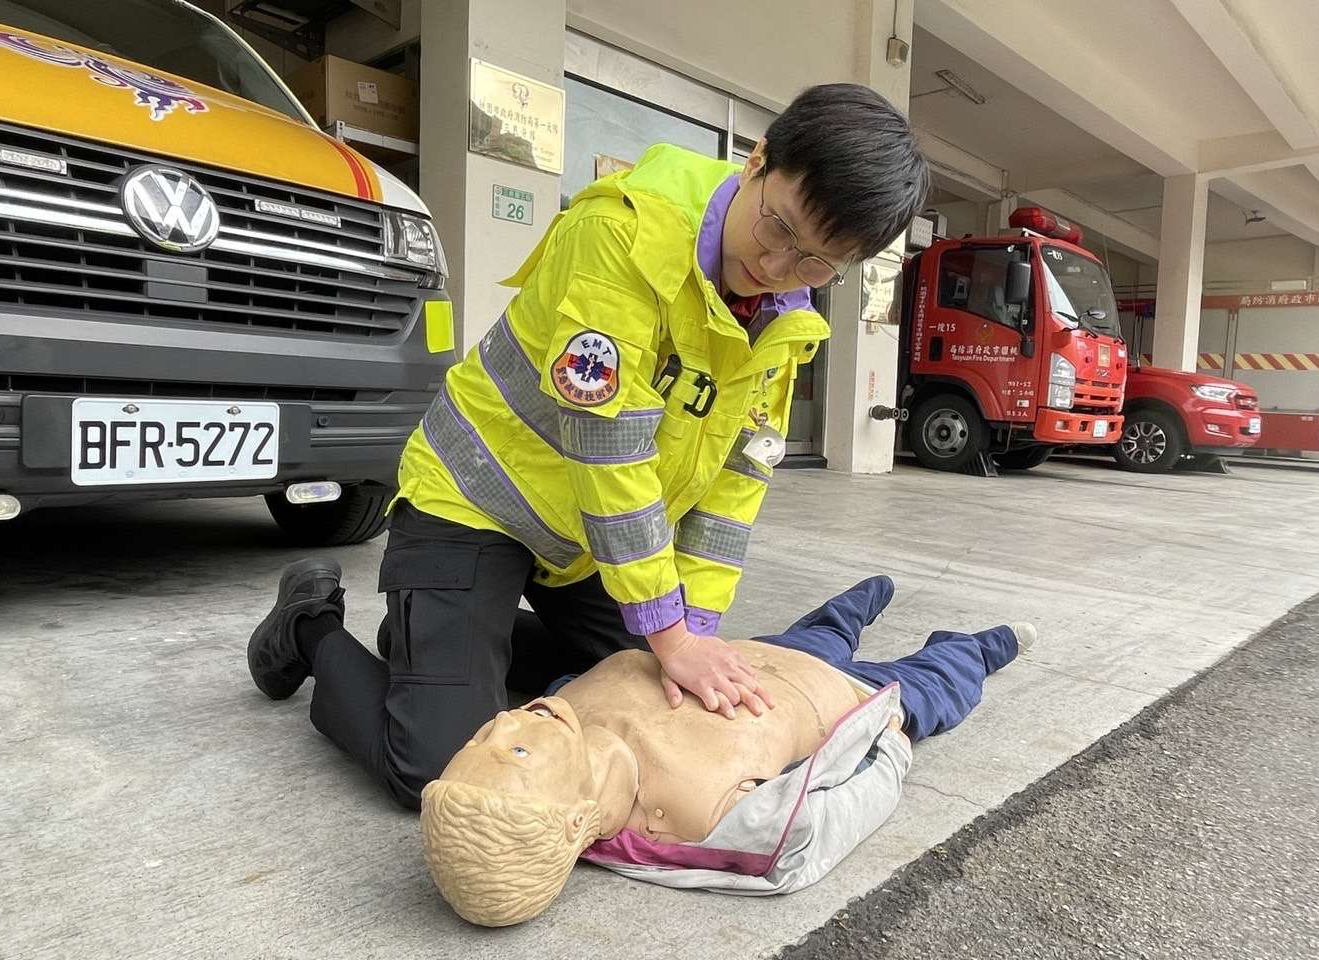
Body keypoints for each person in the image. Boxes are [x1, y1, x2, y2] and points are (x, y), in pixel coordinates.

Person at [245, 83, 931, 811]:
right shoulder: (622, 236)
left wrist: (690, 632)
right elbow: (609, 447)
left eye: (818, 263)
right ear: (757, 159)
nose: (780, 267)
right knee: (439, 768)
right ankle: (310, 625)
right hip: (477, 501)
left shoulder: (788, 320)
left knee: (643, 689)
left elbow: (736, 486)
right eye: (779, 229)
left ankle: (432, 634)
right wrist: (668, 634)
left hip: (582, 540)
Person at [418, 575, 1034, 926]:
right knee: (949, 672)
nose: (503, 724)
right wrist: (888, 745)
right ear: (575, 819)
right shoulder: (700, 818)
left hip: (745, 657)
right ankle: (989, 644)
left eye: (481, 737)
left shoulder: (563, 707)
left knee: (825, 626)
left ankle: (855, 608)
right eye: (516, 755)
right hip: (848, 696)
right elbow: (824, 825)